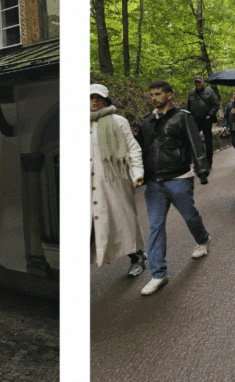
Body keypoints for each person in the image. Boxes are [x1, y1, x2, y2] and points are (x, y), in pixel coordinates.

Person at [135, 81, 211, 296]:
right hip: (154, 184)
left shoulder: (182, 116)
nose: (153, 97)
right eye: (151, 94)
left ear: (169, 95)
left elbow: (196, 144)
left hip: (179, 178)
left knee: (190, 216)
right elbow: (138, 151)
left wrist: (201, 170)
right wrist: (137, 174)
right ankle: (159, 275)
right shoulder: (146, 122)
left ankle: (203, 239)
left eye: (158, 94)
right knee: (156, 227)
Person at [90, 83, 147, 277]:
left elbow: (132, 148)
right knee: (101, 221)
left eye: (98, 97)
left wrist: (137, 173)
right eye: (90, 97)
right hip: (93, 181)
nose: (94, 101)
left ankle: (137, 257)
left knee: (123, 219)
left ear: (106, 100)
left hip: (116, 179)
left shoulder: (118, 121)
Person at [187, 75, 220, 167]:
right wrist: (188, 118)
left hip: (206, 120)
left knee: (208, 141)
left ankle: (209, 162)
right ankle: (197, 161)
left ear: (202, 82)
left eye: (199, 82)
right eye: (195, 82)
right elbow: (188, 107)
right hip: (195, 121)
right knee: (193, 141)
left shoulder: (209, 92)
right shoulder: (191, 93)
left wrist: (210, 115)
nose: (197, 84)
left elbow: (216, 104)